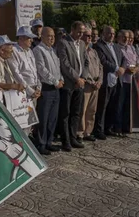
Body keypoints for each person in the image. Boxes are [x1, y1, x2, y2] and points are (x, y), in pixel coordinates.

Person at [56, 21, 88, 151]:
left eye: (82, 32)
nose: (81, 34)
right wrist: (77, 78)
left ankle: (73, 137)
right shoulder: (63, 43)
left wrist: (83, 78)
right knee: (65, 113)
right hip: (69, 84)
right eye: (79, 31)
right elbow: (64, 64)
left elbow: (86, 62)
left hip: (79, 84)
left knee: (76, 112)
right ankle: (65, 140)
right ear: (72, 30)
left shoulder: (82, 44)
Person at [33, 27, 63, 155]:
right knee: (43, 118)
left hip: (56, 88)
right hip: (46, 88)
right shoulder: (38, 50)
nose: (52, 38)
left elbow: (58, 67)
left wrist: (60, 78)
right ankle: (41, 144)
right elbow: (41, 69)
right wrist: (55, 81)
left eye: (53, 36)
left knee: (52, 118)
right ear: (42, 36)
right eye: (49, 36)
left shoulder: (53, 50)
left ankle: (49, 142)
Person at [93, 26, 125, 139]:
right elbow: (103, 62)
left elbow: (123, 59)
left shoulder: (116, 46)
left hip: (117, 80)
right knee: (102, 107)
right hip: (106, 80)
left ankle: (108, 128)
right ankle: (98, 130)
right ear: (103, 34)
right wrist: (117, 68)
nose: (111, 35)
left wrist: (122, 68)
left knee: (113, 105)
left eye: (113, 33)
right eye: (109, 33)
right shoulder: (98, 46)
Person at [78, 28, 102, 142]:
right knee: (83, 109)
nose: (89, 38)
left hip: (96, 85)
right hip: (87, 85)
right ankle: (80, 133)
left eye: (91, 36)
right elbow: (83, 69)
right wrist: (91, 82)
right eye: (87, 35)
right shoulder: (80, 51)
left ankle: (88, 131)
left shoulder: (93, 51)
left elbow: (100, 67)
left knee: (92, 110)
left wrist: (100, 81)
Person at [7, 26, 41, 105]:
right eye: (29, 38)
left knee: (32, 116)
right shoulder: (14, 51)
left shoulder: (30, 51)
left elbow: (35, 70)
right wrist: (29, 90)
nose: (32, 40)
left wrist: (39, 87)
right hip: (23, 91)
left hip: (34, 89)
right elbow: (16, 73)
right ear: (21, 38)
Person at [114, 30, 139, 136]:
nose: (126, 39)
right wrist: (127, 69)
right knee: (119, 105)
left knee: (128, 105)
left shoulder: (131, 48)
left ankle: (126, 127)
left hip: (131, 81)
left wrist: (136, 68)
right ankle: (118, 128)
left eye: (128, 37)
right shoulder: (116, 48)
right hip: (121, 80)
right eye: (123, 37)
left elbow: (137, 61)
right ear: (118, 37)